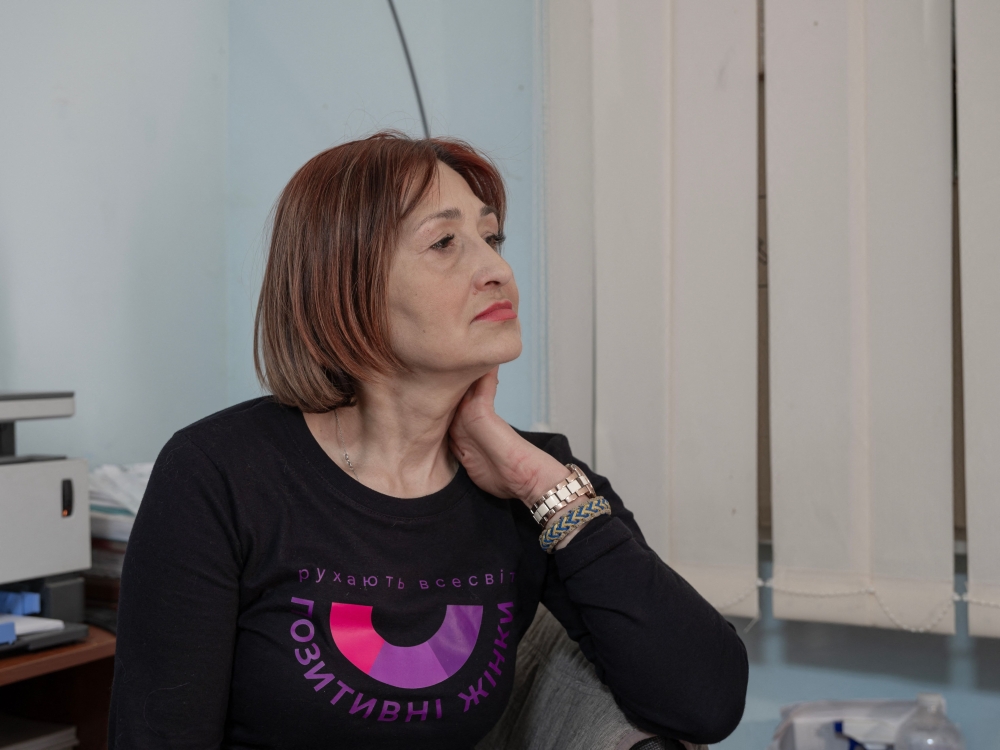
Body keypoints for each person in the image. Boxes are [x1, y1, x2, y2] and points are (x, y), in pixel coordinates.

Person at [108, 132, 748, 749]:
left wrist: (542, 486)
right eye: (445, 242)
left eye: (492, 236)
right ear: (346, 288)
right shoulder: (219, 474)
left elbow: (704, 702)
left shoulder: (531, 478)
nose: (497, 268)